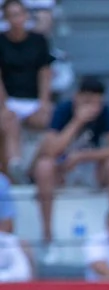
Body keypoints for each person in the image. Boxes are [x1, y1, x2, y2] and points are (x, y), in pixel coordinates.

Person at [30, 77, 109, 253]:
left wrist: (82, 156)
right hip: (63, 169)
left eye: (97, 102)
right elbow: (51, 150)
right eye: (88, 101)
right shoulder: (63, 110)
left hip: (91, 168)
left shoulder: (105, 112)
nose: (93, 107)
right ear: (77, 97)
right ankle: (47, 233)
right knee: (44, 166)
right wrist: (77, 121)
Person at [0, 0, 53, 173]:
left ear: (25, 16)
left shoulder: (39, 41)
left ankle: (32, 169)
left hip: (33, 99)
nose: (16, 20)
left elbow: (44, 73)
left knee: (48, 120)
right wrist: (3, 106)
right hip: (10, 100)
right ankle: (14, 165)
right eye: (11, 15)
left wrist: (44, 103)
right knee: (9, 121)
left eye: (18, 14)